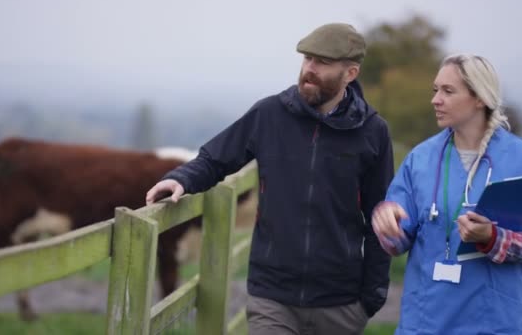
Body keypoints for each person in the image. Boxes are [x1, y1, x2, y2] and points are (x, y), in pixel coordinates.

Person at [146, 23, 394, 334]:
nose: (310, 69)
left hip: (340, 304)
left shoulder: (373, 132)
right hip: (272, 298)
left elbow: (381, 216)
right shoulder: (270, 114)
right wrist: (181, 178)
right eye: (307, 60)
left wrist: (371, 297)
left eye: (323, 63)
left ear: (351, 73)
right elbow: (215, 158)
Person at [371, 54, 522, 334]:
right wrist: (386, 222)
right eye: (435, 90)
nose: (436, 99)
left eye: (448, 91)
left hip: (494, 324)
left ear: (480, 98)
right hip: (426, 323)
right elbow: (397, 239)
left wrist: (493, 238)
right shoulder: (420, 159)